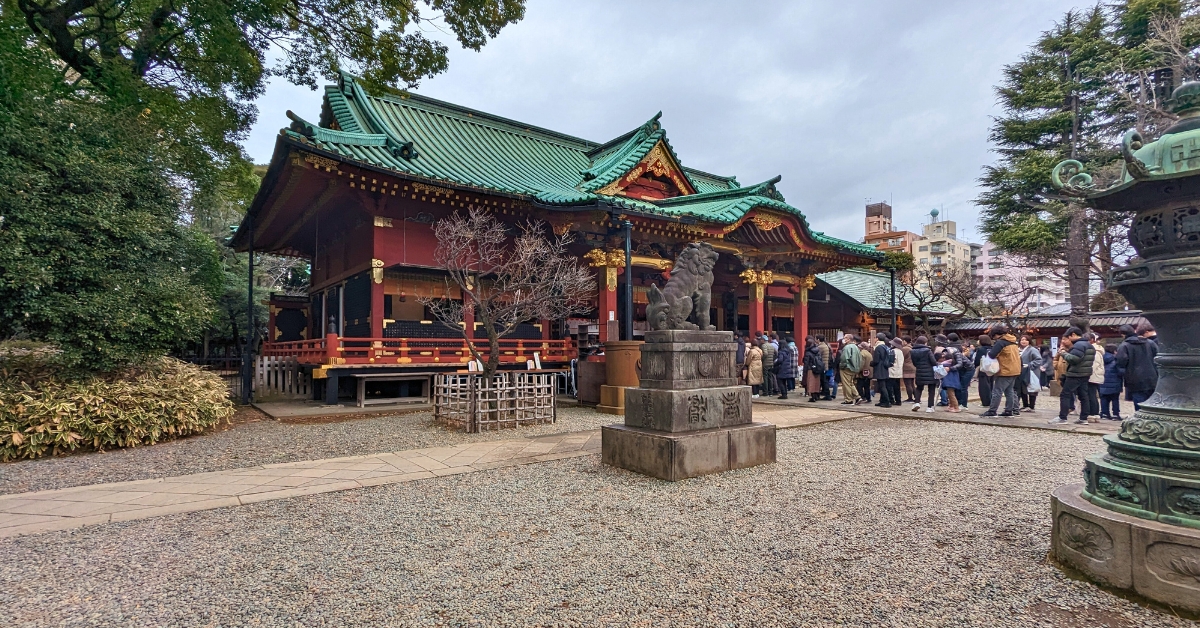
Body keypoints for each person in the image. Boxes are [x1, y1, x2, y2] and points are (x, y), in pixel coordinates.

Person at [1050, 327, 1095, 425]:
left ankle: (1063, 417)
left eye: (1069, 337)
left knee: (1065, 394)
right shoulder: (1089, 345)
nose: (1068, 339)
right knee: (1084, 396)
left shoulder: (1078, 345)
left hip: (1075, 374)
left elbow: (1074, 359)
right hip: (1085, 373)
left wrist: (1063, 353)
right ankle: (1083, 418)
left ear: (1073, 335)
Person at [1116, 323, 1158, 411]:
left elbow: (1121, 362)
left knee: (1139, 401)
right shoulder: (1150, 343)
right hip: (1152, 376)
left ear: (1123, 334)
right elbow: (1158, 358)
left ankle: (1141, 420)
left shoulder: (1124, 346)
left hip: (1134, 378)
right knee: (1152, 401)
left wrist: (1123, 375)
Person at [982, 325, 1021, 417]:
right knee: (1009, 391)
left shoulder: (1001, 342)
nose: (994, 338)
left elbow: (992, 355)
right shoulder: (1013, 341)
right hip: (1015, 369)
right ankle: (1009, 410)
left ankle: (992, 411)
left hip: (1005, 370)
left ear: (996, 334)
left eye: (994, 336)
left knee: (997, 391)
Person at [909, 336, 938, 413]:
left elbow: (914, 363)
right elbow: (933, 362)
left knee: (919, 388)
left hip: (919, 371)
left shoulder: (912, 351)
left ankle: (917, 402)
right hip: (930, 372)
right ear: (925, 342)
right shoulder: (927, 350)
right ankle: (929, 407)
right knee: (931, 390)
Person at [1018, 335, 1043, 411]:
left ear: (1029, 341)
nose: (1023, 341)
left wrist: (1030, 365)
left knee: (1032, 388)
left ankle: (1031, 406)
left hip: (1031, 371)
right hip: (1022, 371)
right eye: (1022, 340)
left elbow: (1038, 360)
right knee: (1023, 388)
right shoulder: (1018, 350)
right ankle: (1025, 405)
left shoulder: (1032, 350)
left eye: (1026, 340)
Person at [838, 334, 864, 405]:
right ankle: (857, 397)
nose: (844, 339)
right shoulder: (856, 347)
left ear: (849, 339)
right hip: (854, 368)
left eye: (845, 338)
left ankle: (848, 399)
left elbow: (844, 358)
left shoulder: (847, 347)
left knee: (846, 384)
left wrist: (841, 366)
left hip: (847, 367)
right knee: (850, 383)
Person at [1100, 344, 1123, 421]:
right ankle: (1115, 414)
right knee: (1115, 399)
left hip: (1103, 382)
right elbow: (1120, 371)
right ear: (1114, 351)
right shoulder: (1116, 360)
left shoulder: (1101, 358)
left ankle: (1104, 413)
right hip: (1115, 383)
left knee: (1104, 399)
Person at [871, 332, 895, 407]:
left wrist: (871, 363)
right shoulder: (885, 346)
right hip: (885, 367)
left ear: (877, 338)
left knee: (882, 386)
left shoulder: (878, 347)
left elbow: (876, 360)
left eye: (875, 338)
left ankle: (887, 402)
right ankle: (882, 401)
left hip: (879, 368)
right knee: (883, 385)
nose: (874, 339)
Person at [1088, 333, 1105, 423]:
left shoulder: (1094, 351)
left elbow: (1093, 365)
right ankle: (1094, 413)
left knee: (1091, 395)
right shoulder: (1097, 350)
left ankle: (1093, 413)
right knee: (1092, 395)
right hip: (1095, 375)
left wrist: (1086, 373)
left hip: (1092, 375)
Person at [975, 335, 994, 409]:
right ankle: (991, 400)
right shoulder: (992, 348)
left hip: (983, 369)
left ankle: (985, 402)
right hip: (993, 369)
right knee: (991, 385)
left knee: (983, 386)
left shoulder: (981, 349)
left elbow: (977, 361)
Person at [803, 337, 823, 402]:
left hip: (810, 368)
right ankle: (817, 395)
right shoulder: (817, 350)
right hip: (817, 368)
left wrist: (804, 371)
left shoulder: (808, 352)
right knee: (816, 383)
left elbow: (806, 362)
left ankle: (813, 397)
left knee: (810, 383)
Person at [888, 337, 905, 409]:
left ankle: (891, 400)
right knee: (897, 387)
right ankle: (898, 400)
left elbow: (891, 361)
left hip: (892, 371)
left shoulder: (892, 351)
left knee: (889, 386)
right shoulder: (900, 351)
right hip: (899, 371)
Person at [816, 335, 833, 400]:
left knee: (823, 381)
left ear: (818, 339)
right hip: (825, 365)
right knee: (824, 381)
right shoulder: (826, 345)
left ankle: (826, 394)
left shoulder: (820, 347)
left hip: (822, 365)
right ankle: (826, 394)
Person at [900, 337, 916, 402]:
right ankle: (916, 397)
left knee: (908, 384)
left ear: (905, 341)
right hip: (913, 366)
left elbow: (901, 356)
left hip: (907, 368)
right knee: (912, 384)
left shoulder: (905, 349)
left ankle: (910, 397)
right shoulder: (912, 348)